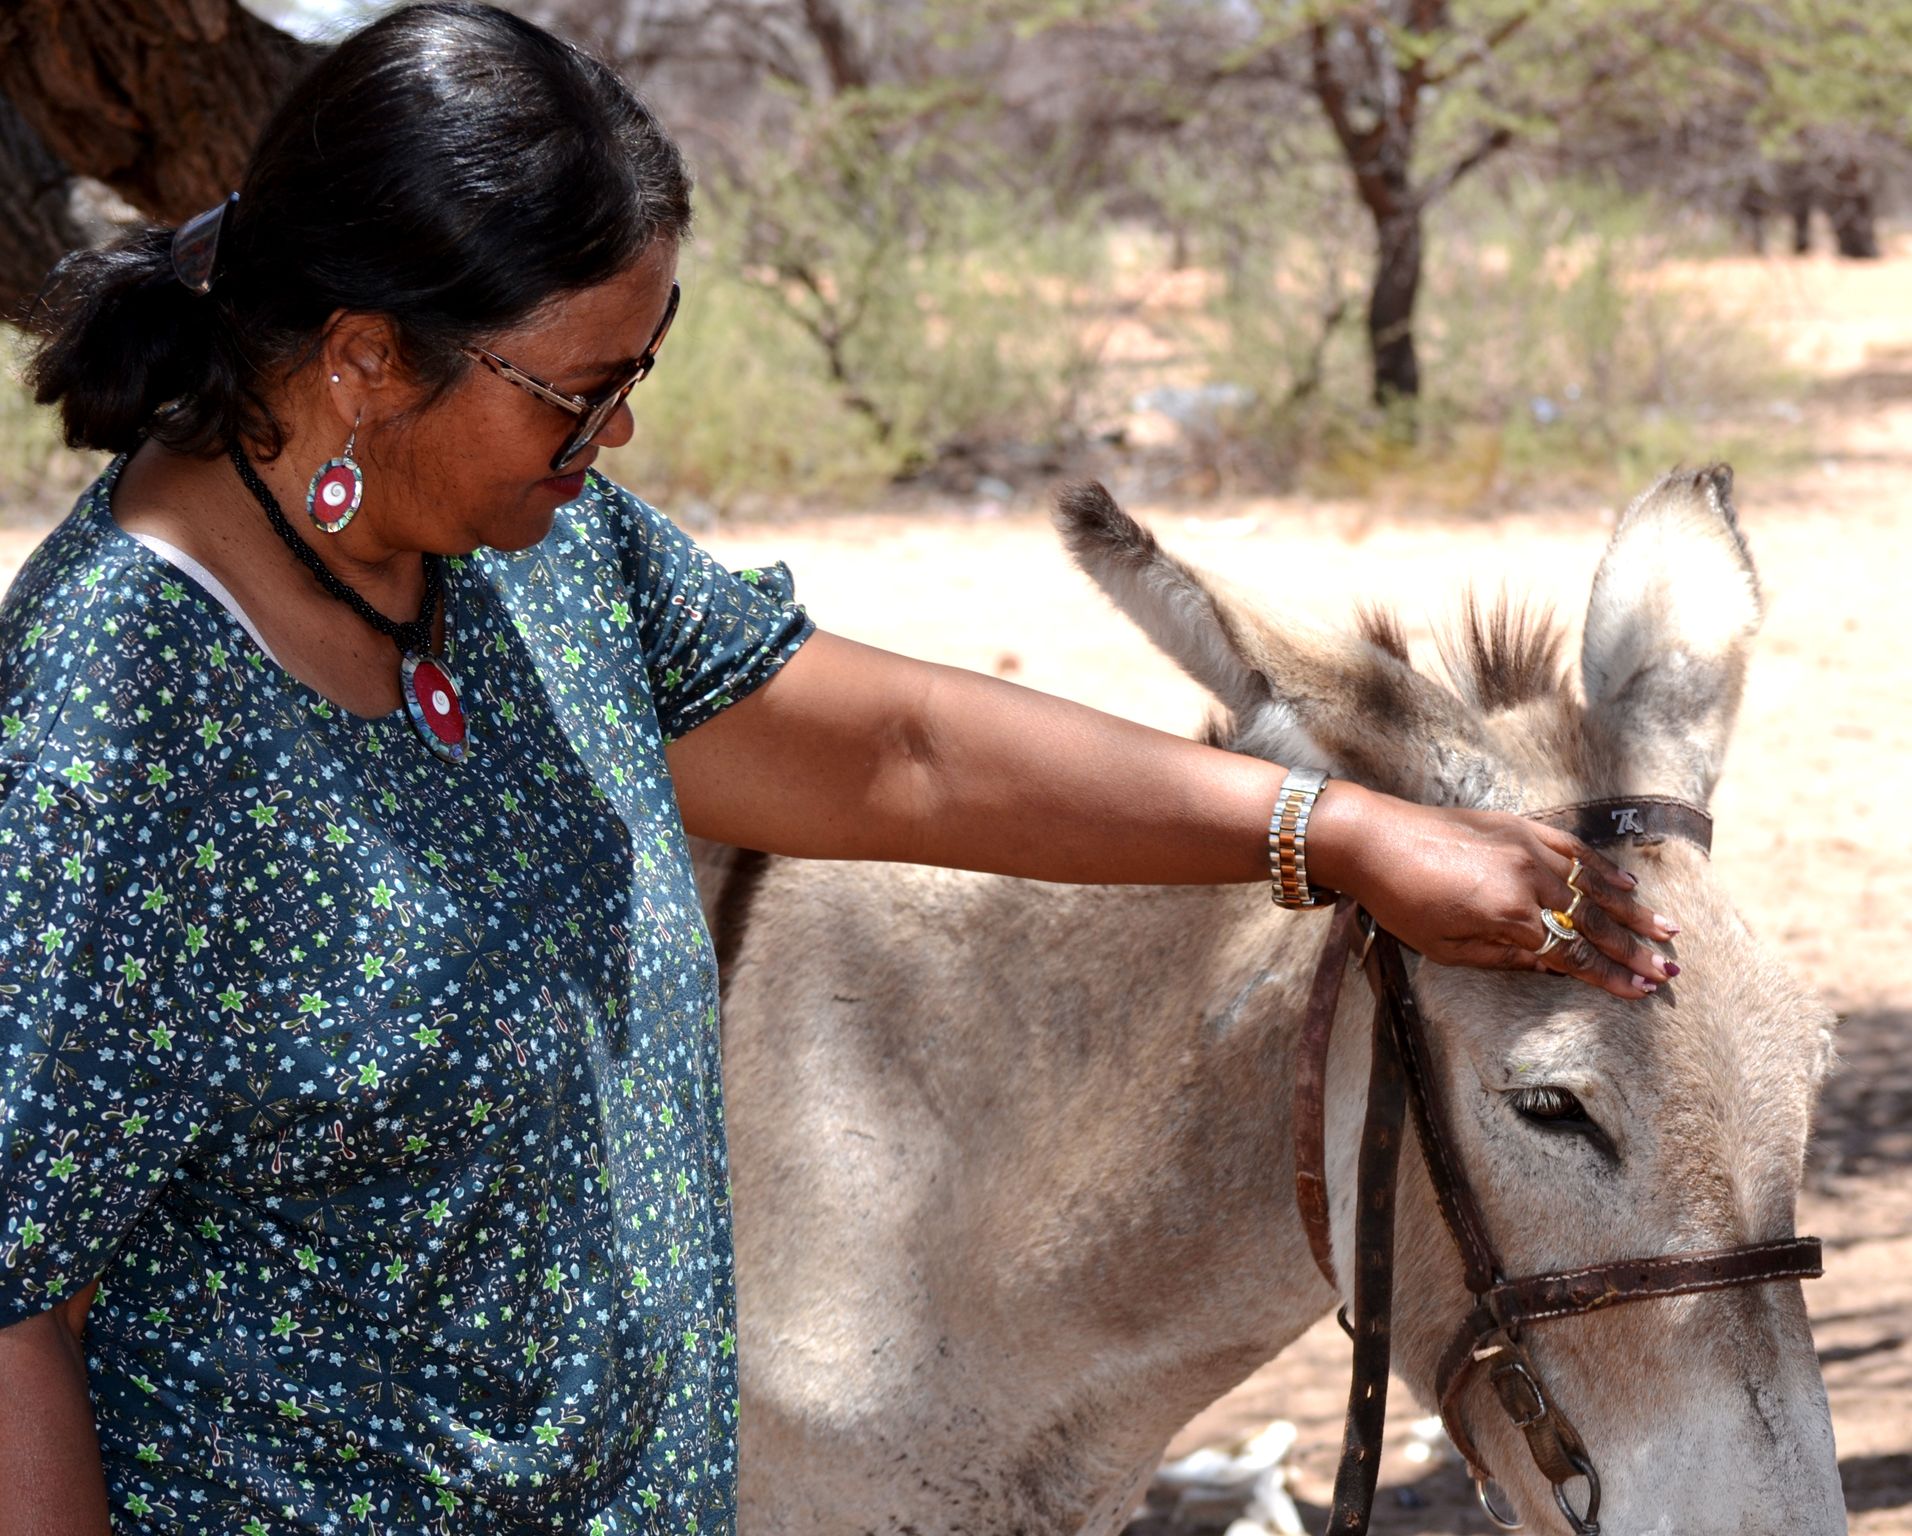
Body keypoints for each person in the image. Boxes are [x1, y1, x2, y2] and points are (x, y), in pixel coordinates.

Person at [0, 5, 1677, 1531]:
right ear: (366, 360)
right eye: (578, 394)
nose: (616, 443)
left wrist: (1336, 827)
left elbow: (900, 754)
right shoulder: (108, 735)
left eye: (635, 377)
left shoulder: (531, 554)